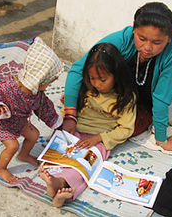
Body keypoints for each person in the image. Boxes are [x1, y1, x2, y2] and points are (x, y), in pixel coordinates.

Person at [62, 2, 172, 152]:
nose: (147, 48)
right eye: (142, 38)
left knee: (132, 125)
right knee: (80, 99)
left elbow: (161, 99)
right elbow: (79, 69)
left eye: (157, 42)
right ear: (134, 28)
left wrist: (161, 141)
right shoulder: (123, 39)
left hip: (137, 103)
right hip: (114, 93)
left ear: (169, 38)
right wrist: (70, 114)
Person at [39, 42, 137, 207]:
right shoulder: (86, 87)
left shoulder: (125, 97)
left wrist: (99, 138)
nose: (97, 84)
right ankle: (54, 183)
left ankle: (62, 185)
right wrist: (67, 106)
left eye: (103, 79)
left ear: (117, 74)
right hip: (75, 130)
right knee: (58, 155)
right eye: (92, 78)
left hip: (98, 140)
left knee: (86, 165)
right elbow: (70, 111)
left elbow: (126, 129)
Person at [0, 37, 65, 183]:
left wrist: (56, 123)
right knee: (12, 146)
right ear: (40, 80)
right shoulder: (8, 87)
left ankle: (24, 155)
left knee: (34, 135)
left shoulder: (37, 95)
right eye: (49, 82)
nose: (49, 84)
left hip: (18, 121)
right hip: (3, 123)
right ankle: (0, 168)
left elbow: (45, 108)